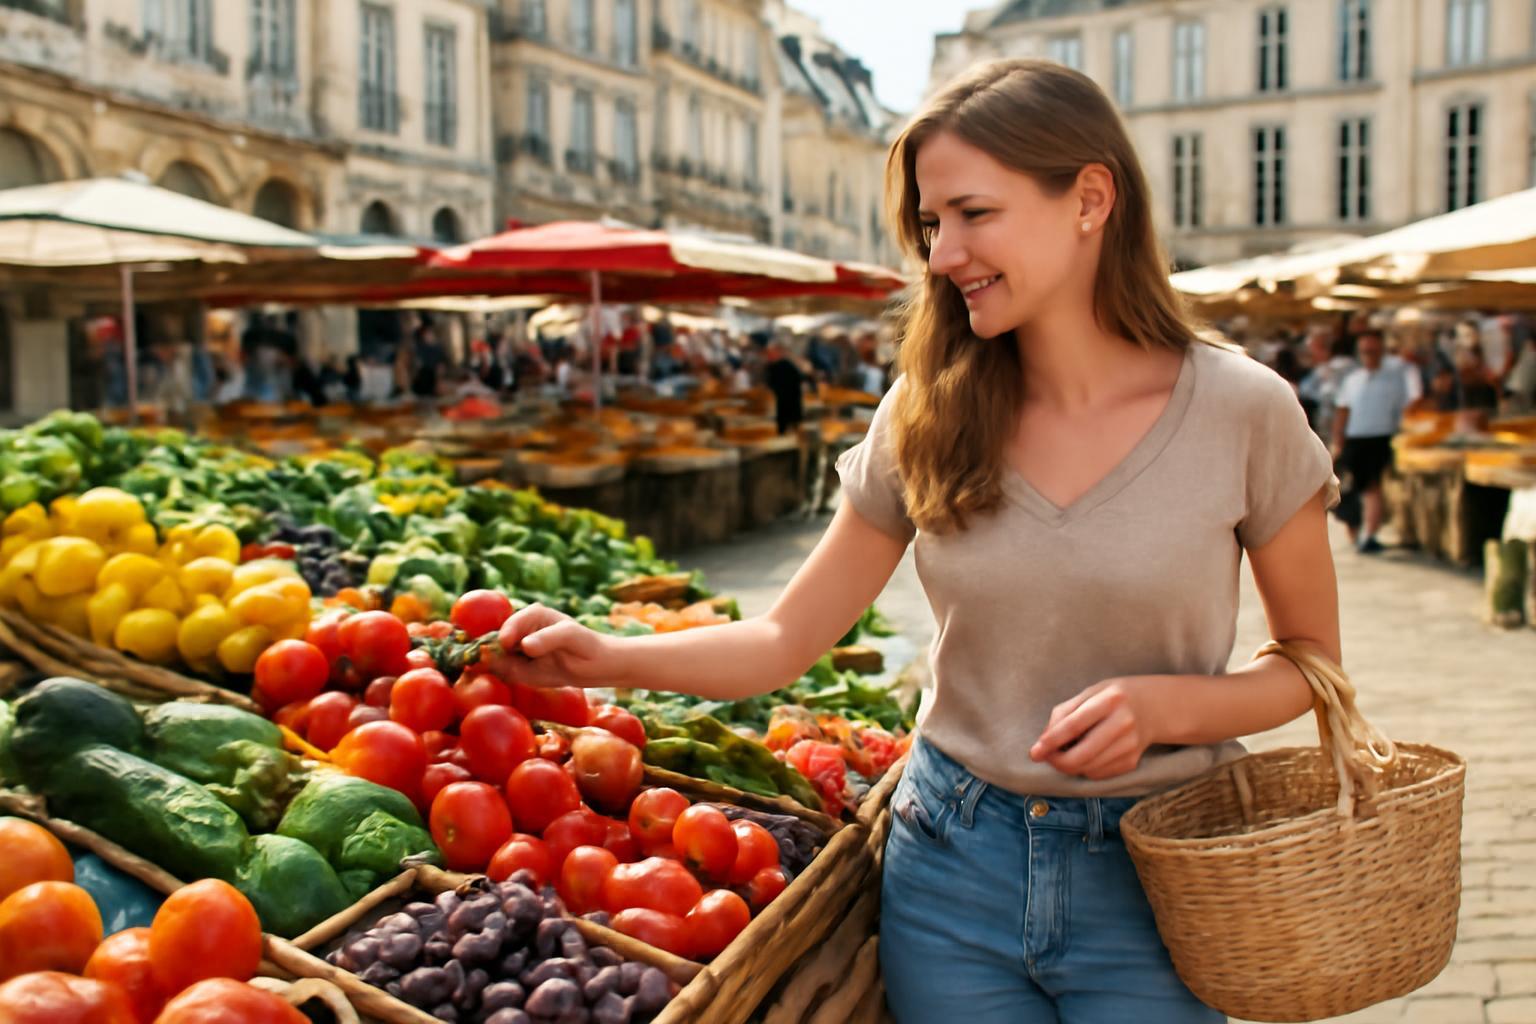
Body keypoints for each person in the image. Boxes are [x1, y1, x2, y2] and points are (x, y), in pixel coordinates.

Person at [492, 59, 1339, 1024]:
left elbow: (1313, 668)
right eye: (932, 224)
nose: (942, 255)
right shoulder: (926, 411)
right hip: (952, 870)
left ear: (1090, 199)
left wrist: (1167, 706)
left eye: (974, 214)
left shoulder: (1244, 412)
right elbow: (783, 641)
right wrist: (606, 657)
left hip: (1158, 879)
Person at [1332, 331, 1413, 553]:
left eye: (1373, 351)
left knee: (1371, 488)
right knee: (1349, 488)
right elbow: (1342, 410)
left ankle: (1369, 535)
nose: (1369, 355)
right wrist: (1338, 441)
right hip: (1354, 437)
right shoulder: (1353, 380)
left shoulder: (1394, 379)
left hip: (1380, 437)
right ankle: (1355, 533)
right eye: (1365, 351)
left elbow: (1406, 409)